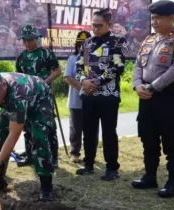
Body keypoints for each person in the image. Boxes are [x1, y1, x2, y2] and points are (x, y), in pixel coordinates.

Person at [0, 68, 55, 201]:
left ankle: (46, 187)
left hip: (39, 100)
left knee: (39, 139)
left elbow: (13, 136)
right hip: (13, 103)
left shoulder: (18, 94)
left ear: (4, 85)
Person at [75, 8, 128, 181]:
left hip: (108, 95)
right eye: (93, 25)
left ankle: (112, 168)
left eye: (99, 25)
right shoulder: (87, 42)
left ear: (108, 24)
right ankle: (88, 164)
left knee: (108, 132)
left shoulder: (118, 42)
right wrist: (83, 80)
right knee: (88, 131)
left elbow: (118, 67)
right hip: (88, 94)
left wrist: (97, 83)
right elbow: (79, 65)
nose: (95, 28)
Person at [131, 0, 174, 198]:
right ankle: (150, 177)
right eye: (153, 18)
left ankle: (173, 182)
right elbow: (137, 66)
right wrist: (137, 85)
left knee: (171, 141)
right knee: (148, 138)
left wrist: (152, 86)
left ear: (171, 18)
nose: (154, 21)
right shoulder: (148, 40)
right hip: (146, 97)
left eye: (158, 18)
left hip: (168, 97)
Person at [14, 24, 61, 168]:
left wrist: (44, 83)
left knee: (49, 127)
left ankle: (53, 159)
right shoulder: (21, 57)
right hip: (27, 97)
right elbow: (18, 77)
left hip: (44, 97)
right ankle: (29, 156)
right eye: (25, 40)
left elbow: (57, 71)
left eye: (31, 40)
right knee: (27, 126)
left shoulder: (46, 53)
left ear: (36, 38)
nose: (28, 43)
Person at [64, 31, 92, 163]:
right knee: (75, 129)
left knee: (90, 129)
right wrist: (82, 88)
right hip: (76, 101)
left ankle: (90, 154)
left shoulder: (95, 58)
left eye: (87, 42)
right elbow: (68, 77)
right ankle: (75, 152)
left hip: (92, 100)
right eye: (81, 43)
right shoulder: (72, 58)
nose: (84, 45)